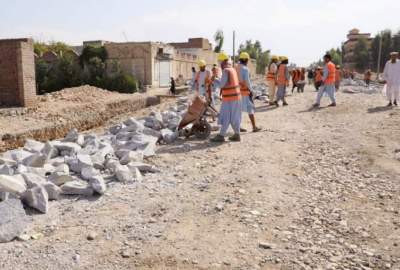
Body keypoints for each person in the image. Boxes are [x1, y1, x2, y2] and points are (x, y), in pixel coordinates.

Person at [210, 52, 242, 142]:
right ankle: (237, 134)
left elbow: (222, 84)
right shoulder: (232, 69)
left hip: (229, 98)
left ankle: (221, 135)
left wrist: (215, 79)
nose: (220, 64)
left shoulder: (225, 70)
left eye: (220, 62)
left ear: (222, 62)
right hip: (236, 97)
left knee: (226, 117)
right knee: (234, 117)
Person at [236, 52, 261, 133]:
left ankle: (238, 127)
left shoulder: (236, 67)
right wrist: (251, 90)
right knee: (250, 108)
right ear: (246, 60)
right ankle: (254, 127)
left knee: (238, 110)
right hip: (245, 92)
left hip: (237, 91)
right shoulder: (245, 69)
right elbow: (247, 81)